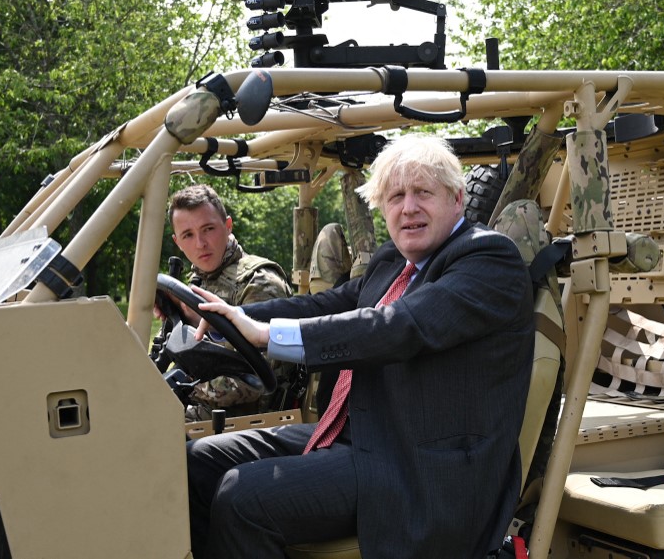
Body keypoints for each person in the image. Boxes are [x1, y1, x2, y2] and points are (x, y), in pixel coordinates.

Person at [187, 135, 535, 559]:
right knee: (198, 460)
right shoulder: (394, 262)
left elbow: (399, 326)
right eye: (395, 196)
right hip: (366, 432)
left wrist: (268, 337)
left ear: (457, 199)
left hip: (419, 464)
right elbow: (328, 304)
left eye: (424, 192)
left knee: (243, 499)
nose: (408, 208)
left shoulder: (487, 259)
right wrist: (230, 315)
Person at [165, 184, 293, 420]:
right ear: (178, 242)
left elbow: (260, 380)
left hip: (250, 421)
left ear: (228, 226)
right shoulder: (198, 283)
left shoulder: (259, 282)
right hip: (207, 410)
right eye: (188, 235)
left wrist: (185, 389)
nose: (200, 243)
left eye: (209, 229)